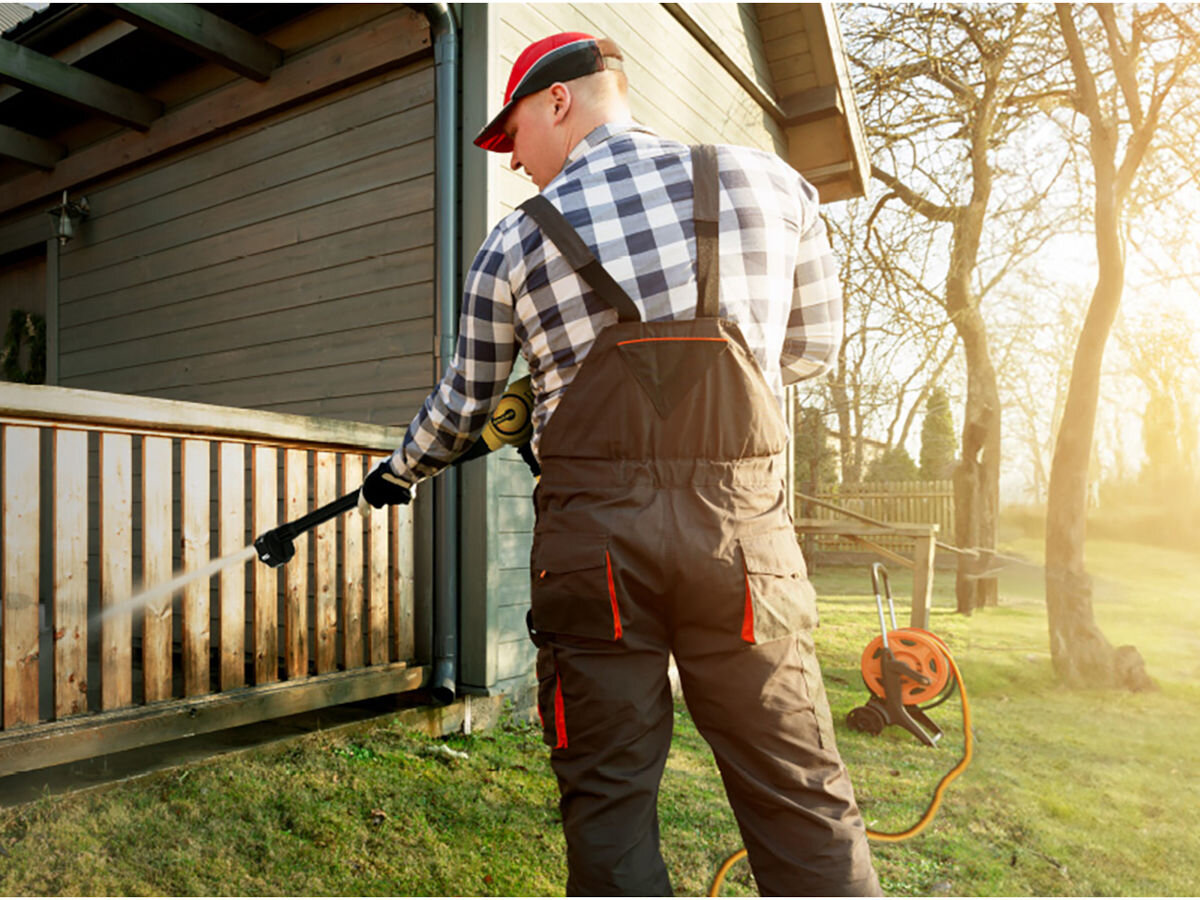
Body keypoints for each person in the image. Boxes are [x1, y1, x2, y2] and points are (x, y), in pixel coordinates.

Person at [359, 31, 881, 897]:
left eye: (514, 133)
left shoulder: (511, 245)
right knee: (800, 795)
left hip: (595, 556)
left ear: (558, 100)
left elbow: (463, 406)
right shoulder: (776, 186)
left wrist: (401, 470)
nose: (516, 162)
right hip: (743, 547)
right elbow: (809, 351)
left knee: (607, 804)